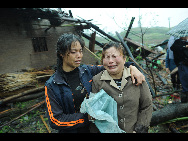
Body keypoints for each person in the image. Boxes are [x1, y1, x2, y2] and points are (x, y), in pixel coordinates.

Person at [44, 33, 146, 133]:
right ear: (61, 53)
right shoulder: (52, 85)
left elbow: (111, 67)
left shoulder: (87, 71)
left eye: (80, 51)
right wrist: (86, 117)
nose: (79, 55)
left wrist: (132, 67)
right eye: (74, 52)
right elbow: (55, 120)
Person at [91, 42, 153, 133]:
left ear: (124, 59)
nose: (110, 61)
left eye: (114, 56)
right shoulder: (97, 80)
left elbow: (147, 106)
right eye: (107, 57)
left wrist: (139, 129)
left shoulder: (136, 77)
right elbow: (95, 112)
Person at [171, 36, 188, 103]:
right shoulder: (177, 42)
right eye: (186, 35)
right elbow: (172, 48)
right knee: (185, 79)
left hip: (186, 63)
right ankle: (184, 101)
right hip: (182, 64)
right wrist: (184, 47)